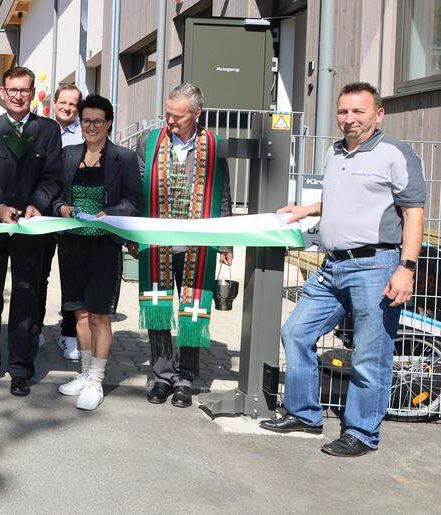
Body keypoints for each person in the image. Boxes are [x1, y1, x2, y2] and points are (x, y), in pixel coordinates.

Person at [261, 83, 425, 457]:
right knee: (296, 332)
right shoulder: (336, 152)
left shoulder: (395, 154)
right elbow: (338, 197)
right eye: (343, 112)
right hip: (333, 266)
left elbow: (414, 213)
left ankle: (363, 433)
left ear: (378, 114)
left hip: (376, 266)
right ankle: (304, 414)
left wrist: (407, 268)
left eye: (358, 112)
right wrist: (305, 211)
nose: (349, 119)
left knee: (371, 353)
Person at [135, 83, 233, 408]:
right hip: (157, 243)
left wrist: (226, 240)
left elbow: (222, 193)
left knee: (192, 310)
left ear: (196, 114)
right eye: (167, 115)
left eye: (177, 117)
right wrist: (134, 235)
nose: (170, 121)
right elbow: (137, 192)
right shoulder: (148, 142)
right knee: (158, 309)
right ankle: (161, 376)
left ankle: (185, 379)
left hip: (197, 246)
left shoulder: (213, 145)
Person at [0, 67, 62, 397]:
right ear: (3, 93)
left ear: (32, 91)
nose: (18, 96)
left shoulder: (48, 130)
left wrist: (37, 204)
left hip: (31, 224)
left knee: (26, 295)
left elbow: (53, 176)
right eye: (12, 90)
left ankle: (21, 368)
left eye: (24, 90)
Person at [52, 95, 142, 410]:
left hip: (104, 245)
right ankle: (83, 373)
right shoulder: (67, 155)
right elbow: (54, 193)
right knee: (79, 313)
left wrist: (111, 212)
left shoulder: (124, 158)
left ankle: (96, 379)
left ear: (108, 123)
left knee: (100, 315)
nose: (91, 127)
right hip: (72, 243)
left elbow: (134, 200)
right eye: (86, 120)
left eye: (97, 121)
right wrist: (60, 206)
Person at [43, 83, 84, 360]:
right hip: (44, 213)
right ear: (54, 102)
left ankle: (69, 333)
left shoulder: (86, 134)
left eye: (73, 104)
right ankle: (35, 330)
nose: (67, 108)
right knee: (39, 274)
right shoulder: (42, 130)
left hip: (72, 216)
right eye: (63, 102)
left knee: (72, 278)